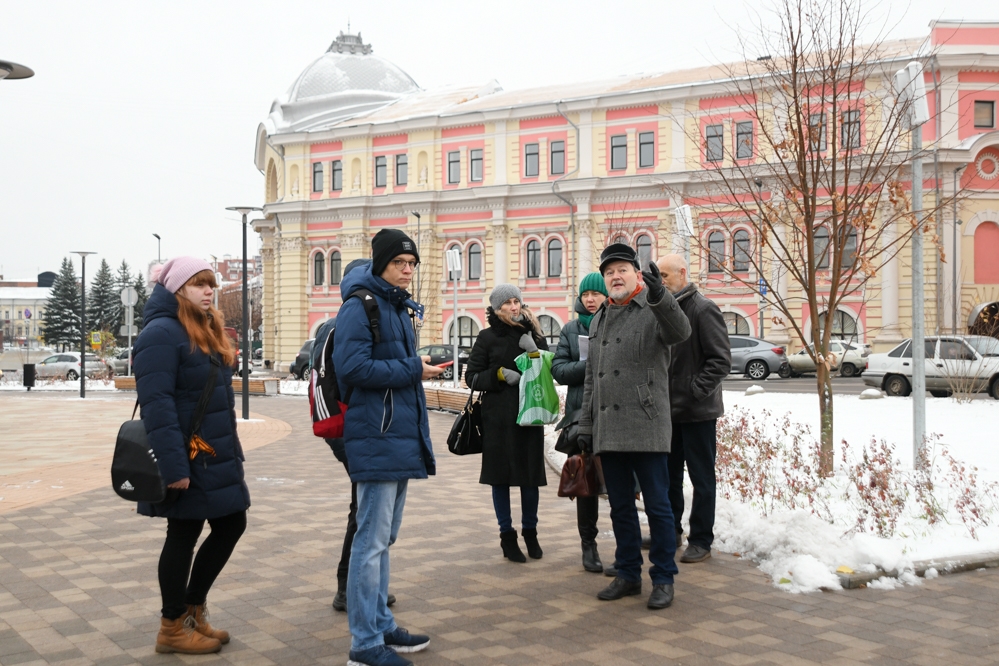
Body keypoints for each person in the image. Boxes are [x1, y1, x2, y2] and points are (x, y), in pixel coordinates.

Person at [334, 229, 444, 666]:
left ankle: (380, 624)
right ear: (381, 264)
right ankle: (364, 645)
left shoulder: (394, 307)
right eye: (400, 263)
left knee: (384, 537)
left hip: (397, 435)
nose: (407, 270)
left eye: (412, 264)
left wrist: (414, 370)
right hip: (376, 436)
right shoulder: (359, 307)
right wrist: (413, 367)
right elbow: (353, 366)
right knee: (371, 540)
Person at [133, 257, 249, 654]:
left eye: (210, 284)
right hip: (186, 457)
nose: (208, 291)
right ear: (178, 290)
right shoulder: (162, 333)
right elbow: (157, 404)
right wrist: (172, 466)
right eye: (199, 284)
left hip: (213, 453)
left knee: (232, 523)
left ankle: (193, 610)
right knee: (182, 533)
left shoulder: (201, 328)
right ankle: (171, 627)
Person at [577, 243, 691, 610]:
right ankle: (627, 572)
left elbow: (681, 331)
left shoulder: (654, 309)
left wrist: (660, 294)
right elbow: (593, 378)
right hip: (609, 426)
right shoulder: (599, 318)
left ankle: (663, 577)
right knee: (621, 507)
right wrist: (585, 423)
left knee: (658, 507)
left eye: (622, 269)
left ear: (636, 275)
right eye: (609, 272)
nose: (615, 276)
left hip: (646, 423)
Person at [319, 259, 396, 613]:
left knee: (364, 507)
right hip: (354, 426)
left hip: (342, 426)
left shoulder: (334, 322)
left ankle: (360, 584)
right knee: (365, 509)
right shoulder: (352, 319)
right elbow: (355, 375)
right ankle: (348, 587)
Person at [465, 284, 550, 563]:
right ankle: (507, 536)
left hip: (529, 414)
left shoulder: (534, 333)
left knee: (530, 478)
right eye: (508, 303)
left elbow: (547, 371)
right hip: (498, 419)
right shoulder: (487, 337)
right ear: (497, 308)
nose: (514, 307)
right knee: (499, 479)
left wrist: (534, 352)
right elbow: (472, 377)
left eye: (517, 302)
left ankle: (531, 532)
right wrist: (499, 374)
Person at [658, 254, 731, 563]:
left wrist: (693, 391)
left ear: (682, 274)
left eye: (665, 275)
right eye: (657, 275)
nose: (660, 280)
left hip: (697, 413)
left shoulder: (703, 309)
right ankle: (670, 532)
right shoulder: (661, 309)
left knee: (701, 480)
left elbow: (720, 361)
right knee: (667, 477)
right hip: (667, 412)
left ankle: (701, 539)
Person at [551, 273, 608, 573]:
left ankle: (626, 544)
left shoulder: (617, 320)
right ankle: (589, 545)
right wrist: (589, 365)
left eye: (595, 294)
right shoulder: (572, 329)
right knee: (586, 484)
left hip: (613, 415)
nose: (589, 299)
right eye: (585, 294)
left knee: (618, 482)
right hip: (581, 416)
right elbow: (558, 370)